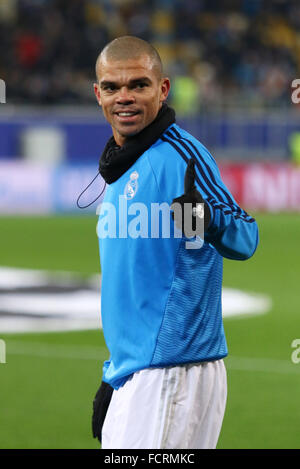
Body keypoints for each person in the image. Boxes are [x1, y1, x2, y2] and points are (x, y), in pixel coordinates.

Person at [92, 36, 259, 449]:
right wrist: (113, 374)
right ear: (98, 94)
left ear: (162, 89)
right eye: (112, 87)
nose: (124, 97)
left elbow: (246, 237)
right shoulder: (118, 165)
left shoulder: (183, 154)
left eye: (138, 85)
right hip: (136, 372)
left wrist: (207, 219)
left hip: (174, 370)